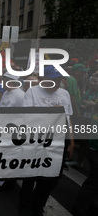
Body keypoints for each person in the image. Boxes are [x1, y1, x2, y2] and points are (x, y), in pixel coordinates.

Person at [20, 66, 74, 216]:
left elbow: (68, 118)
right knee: (30, 176)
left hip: (58, 142)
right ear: (43, 79)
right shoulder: (32, 91)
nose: (55, 83)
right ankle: (24, 206)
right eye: (52, 80)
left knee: (52, 177)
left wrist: (71, 142)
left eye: (58, 80)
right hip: (36, 141)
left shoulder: (64, 93)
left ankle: (38, 205)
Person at [73, 72, 98, 215]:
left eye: (96, 81)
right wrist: (86, 108)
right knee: (93, 181)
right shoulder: (88, 92)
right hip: (92, 137)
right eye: (92, 81)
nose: (94, 84)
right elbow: (82, 105)